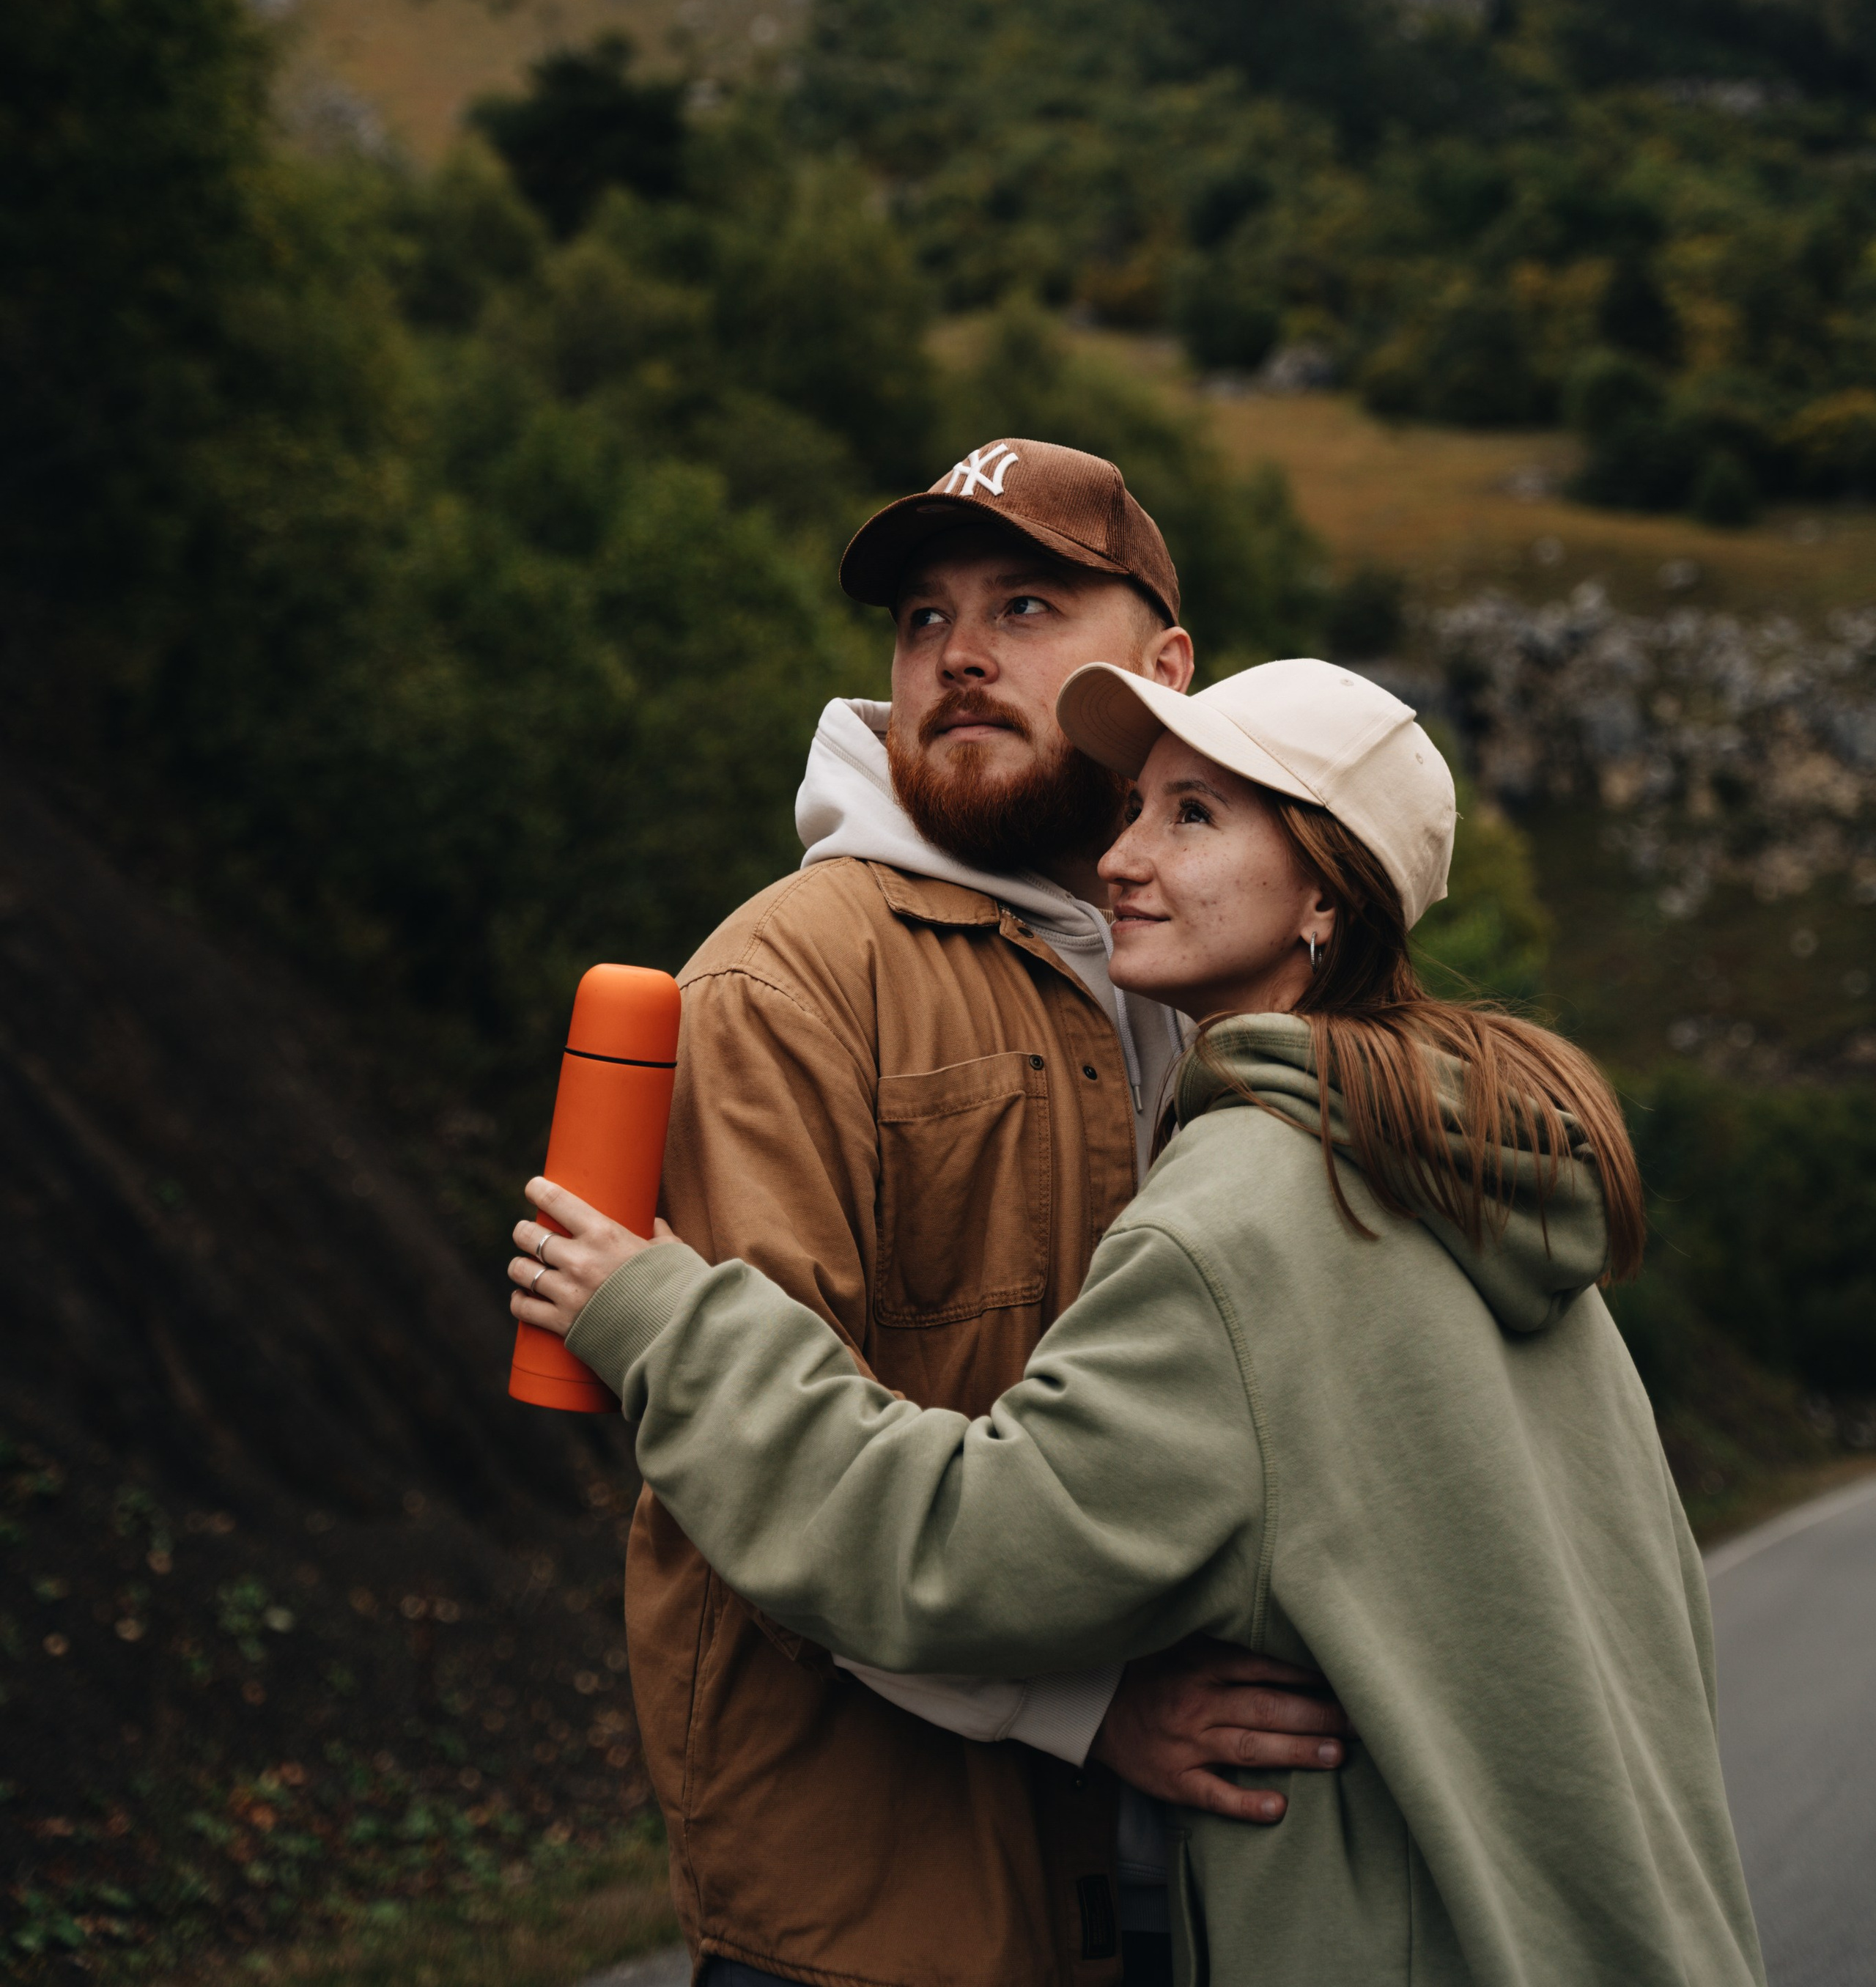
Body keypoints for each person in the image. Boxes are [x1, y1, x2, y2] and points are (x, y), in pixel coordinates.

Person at [512, 656, 1767, 1987]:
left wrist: (662, 1320)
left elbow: (954, 1554)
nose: (1121, 858)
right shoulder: (1473, 1175)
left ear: (1327, 896)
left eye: (1195, 817)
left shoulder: (1245, 1213)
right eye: (1134, 810)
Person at [605, 440, 1354, 1987]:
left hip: (1195, 1881)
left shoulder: (1199, 971)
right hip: (875, 1903)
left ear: (1160, 673)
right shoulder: (784, 982)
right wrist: (1090, 1707)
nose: (956, 654)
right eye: (922, 619)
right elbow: (747, 1464)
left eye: (1022, 607)